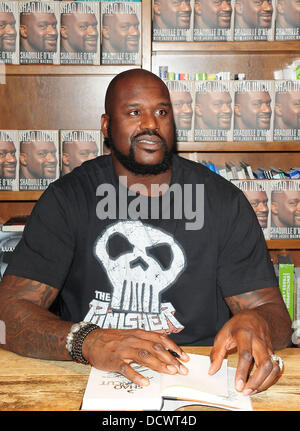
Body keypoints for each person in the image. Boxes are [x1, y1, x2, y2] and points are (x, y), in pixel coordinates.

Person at [0, 69, 291, 395]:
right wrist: (89, 341)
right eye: (135, 112)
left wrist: (258, 324)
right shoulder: (69, 198)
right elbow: (9, 313)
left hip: (198, 376)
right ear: (107, 126)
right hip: (90, 373)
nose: (151, 124)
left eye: (162, 112)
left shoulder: (222, 202)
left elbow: (275, 316)